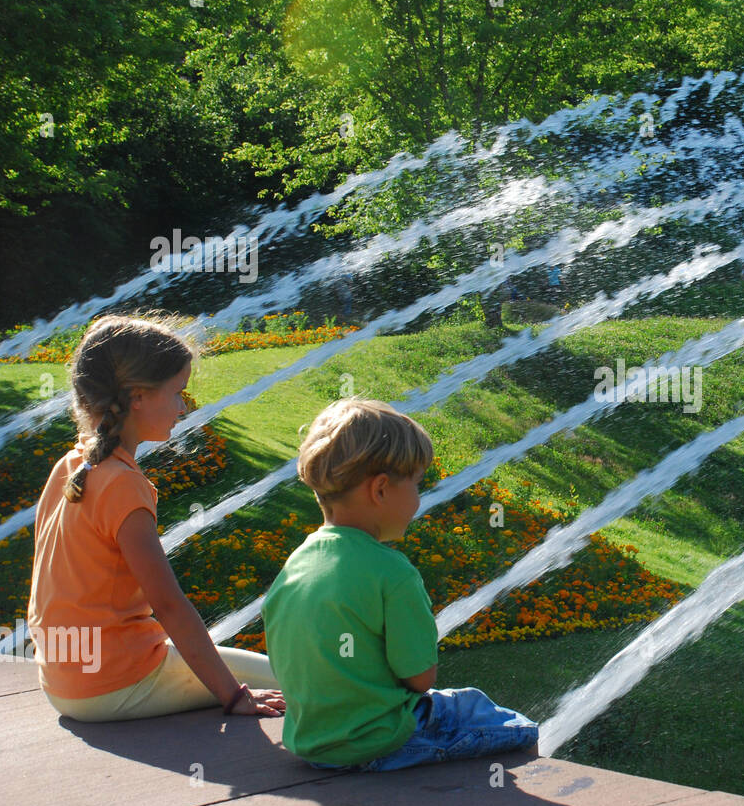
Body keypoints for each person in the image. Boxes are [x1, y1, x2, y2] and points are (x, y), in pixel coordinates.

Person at [27, 315, 285, 722]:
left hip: (64, 681)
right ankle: (418, 708)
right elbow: (168, 604)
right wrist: (234, 697)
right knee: (295, 679)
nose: (184, 406)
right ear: (138, 397)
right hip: (113, 685)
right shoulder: (122, 484)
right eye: (178, 392)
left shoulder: (73, 465)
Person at [262, 399, 538, 771]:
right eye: (416, 484)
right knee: (500, 720)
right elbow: (421, 679)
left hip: (311, 742)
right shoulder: (392, 572)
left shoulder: (298, 563)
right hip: (384, 741)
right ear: (380, 490)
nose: (419, 499)